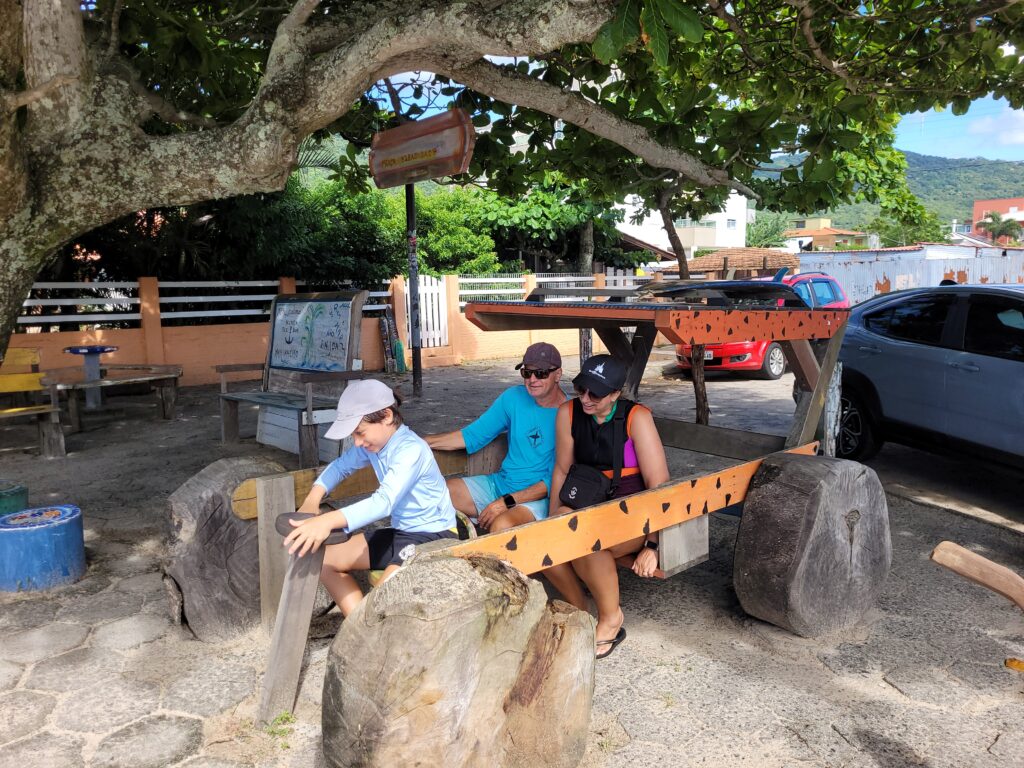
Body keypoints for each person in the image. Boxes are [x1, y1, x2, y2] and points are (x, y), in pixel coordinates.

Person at [283, 379, 457, 617]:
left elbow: (383, 502)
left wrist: (327, 521)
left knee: (382, 601)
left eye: (360, 432)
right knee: (325, 562)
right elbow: (341, 466)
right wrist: (314, 498)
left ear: (386, 416)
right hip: (402, 533)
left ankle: (367, 629)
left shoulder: (411, 450)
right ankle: (359, 626)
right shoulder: (375, 445)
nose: (357, 442)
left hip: (432, 536)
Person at [547, 354, 670, 659]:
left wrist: (653, 545)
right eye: (581, 390)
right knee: (549, 538)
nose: (585, 399)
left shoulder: (636, 417)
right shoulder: (568, 413)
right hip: (586, 501)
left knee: (591, 543)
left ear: (616, 393)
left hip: (631, 513)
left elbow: (659, 485)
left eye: (596, 394)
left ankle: (611, 618)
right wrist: (550, 519)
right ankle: (580, 609)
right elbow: (562, 469)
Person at [424, 342, 567, 534]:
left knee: (502, 524)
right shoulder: (514, 397)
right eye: (527, 373)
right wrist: (425, 442)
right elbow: (473, 436)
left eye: (540, 373)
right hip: (500, 484)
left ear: (558, 374)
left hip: (536, 499)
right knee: (436, 493)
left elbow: (554, 480)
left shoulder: (569, 414)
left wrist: (506, 502)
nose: (532, 379)